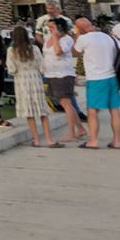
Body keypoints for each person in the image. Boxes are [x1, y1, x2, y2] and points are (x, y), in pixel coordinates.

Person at [72, 15, 120, 149]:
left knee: (92, 110)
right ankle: (116, 141)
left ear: (80, 29)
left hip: (96, 78)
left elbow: (74, 52)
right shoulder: (108, 37)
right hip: (112, 77)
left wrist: (76, 37)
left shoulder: (83, 38)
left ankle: (93, 141)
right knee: (114, 109)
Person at [40, 15, 86, 144]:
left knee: (66, 104)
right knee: (65, 103)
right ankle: (80, 128)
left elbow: (58, 51)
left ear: (60, 27)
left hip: (63, 74)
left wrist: (55, 37)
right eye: (48, 27)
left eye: (52, 27)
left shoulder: (67, 39)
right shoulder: (48, 38)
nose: (49, 30)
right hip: (50, 73)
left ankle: (71, 133)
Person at [5, 24, 53, 148]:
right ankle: (49, 139)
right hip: (35, 79)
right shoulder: (35, 49)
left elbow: (12, 69)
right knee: (42, 110)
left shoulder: (11, 51)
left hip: (21, 80)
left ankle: (36, 140)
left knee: (29, 112)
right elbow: (42, 67)